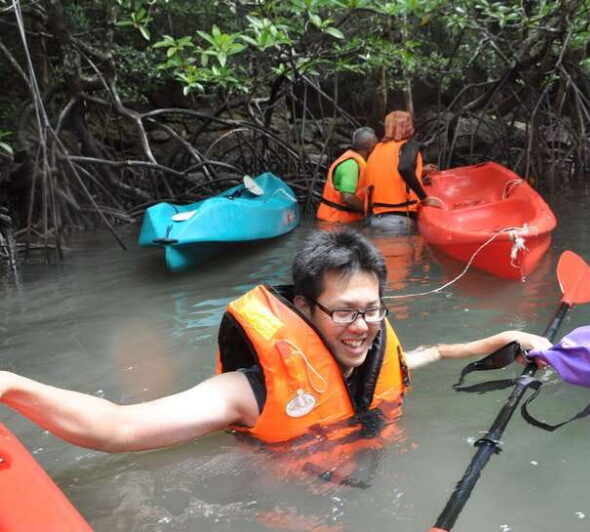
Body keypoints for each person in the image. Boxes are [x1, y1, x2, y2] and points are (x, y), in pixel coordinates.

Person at [0, 229, 550, 453]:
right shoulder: (249, 389)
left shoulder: (374, 355)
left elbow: (432, 354)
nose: (361, 326)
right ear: (305, 308)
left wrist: (502, 337)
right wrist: (10, 385)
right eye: (344, 312)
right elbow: (118, 428)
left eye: (371, 310)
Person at [363, 111, 438, 225]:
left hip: (373, 218)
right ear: (408, 128)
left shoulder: (377, 149)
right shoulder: (408, 146)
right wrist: (425, 198)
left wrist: (420, 172)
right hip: (399, 219)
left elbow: (389, 174)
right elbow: (404, 168)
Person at [316, 127, 378, 223]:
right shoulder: (351, 165)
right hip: (335, 221)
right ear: (370, 146)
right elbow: (347, 197)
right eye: (376, 144)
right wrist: (369, 211)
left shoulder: (357, 162)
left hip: (343, 221)